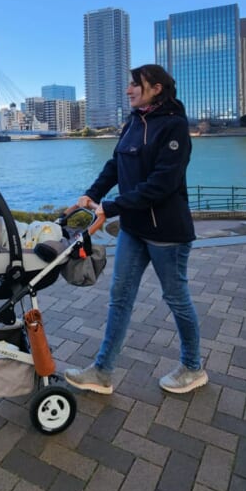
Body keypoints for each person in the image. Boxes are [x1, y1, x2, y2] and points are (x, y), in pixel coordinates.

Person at [64, 64, 208, 396]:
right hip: (133, 229)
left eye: (135, 84)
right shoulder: (132, 122)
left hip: (167, 232)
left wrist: (112, 207)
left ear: (156, 88)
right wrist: (93, 194)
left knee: (176, 299)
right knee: (120, 298)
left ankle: (192, 367)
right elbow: (116, 164)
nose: (128, 89)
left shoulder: (174, 127)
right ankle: (102, 372)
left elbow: (162, 184)